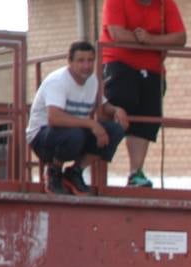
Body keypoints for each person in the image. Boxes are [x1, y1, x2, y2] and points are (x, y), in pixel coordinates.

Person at [99, 0, 186, 188]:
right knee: (119, 103)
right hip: (118, 64)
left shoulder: (166, 3)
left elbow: (180, 38)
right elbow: (117, 35)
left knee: (147, 119)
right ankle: (93, 163)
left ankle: (135, 172)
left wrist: (149, 39)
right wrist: (156, 43)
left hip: (154, 70)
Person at [26, 41, 129, 195]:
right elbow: (54, 118)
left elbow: (103, 104)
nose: (86, 66)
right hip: (42, 138)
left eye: (90, 60)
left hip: (74, 133)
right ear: (70, 61)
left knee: (114, 130)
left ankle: (74, 172)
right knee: (75, 133)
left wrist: (116, 110)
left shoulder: (92, 80)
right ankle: (53, 172)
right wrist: (91, 124)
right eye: (81, 60)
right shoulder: (58, 81)